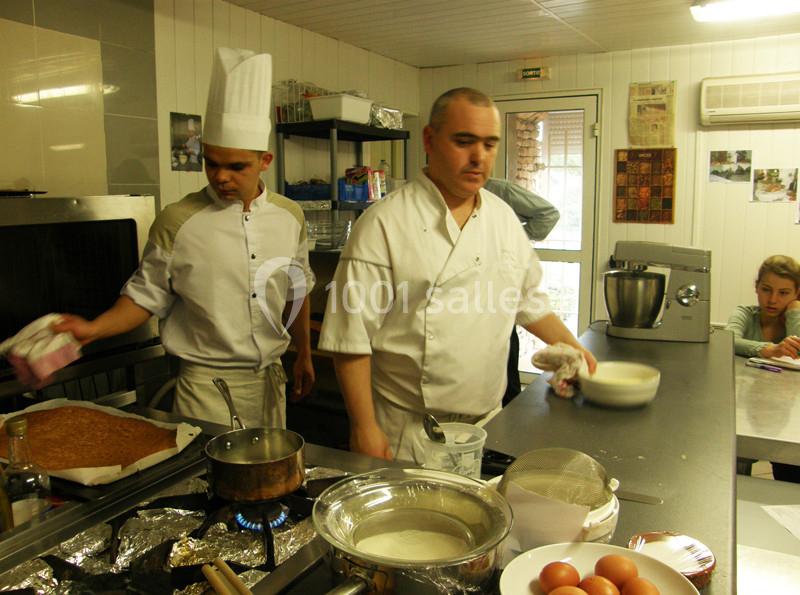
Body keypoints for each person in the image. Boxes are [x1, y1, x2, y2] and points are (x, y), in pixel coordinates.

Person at [318, 87, 596, 461]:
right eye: (464, 142)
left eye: (489, 144)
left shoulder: (503, 219)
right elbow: (349, 339)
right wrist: (363, 426)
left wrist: (579, 353)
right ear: (429, 140)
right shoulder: (383, 223)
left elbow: (529, 302)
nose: (478, 157)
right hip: (408, 433)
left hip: (487, 425)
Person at [54, 48, 315, 429]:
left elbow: (297, 288)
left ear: (265, 162)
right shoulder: (178, 221)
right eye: (212, 163)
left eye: (236, 166)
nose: (221, 176)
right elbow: (145, 296)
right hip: (205, 390)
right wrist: (93, 329)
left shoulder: (290, 216)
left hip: (270, 381)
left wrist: (304, 352)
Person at [483, 177, 560, 404]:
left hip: (497, 291)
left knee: (507, 362)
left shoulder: (498, 190)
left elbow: (548, 214)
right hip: (463, 299)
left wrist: (513, 240)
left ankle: (510, 412)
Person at [726, 254, 800, 483]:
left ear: (797, 293)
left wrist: (795, 312)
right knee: (733, 463)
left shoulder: (794, 317)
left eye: (784, 293)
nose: (773, 299)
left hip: (785, 410)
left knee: (790, 467)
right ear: (756, 287)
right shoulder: (746, 314)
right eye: (766, 289)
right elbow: (728, 339)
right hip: (744, 407)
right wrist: (769, 349)